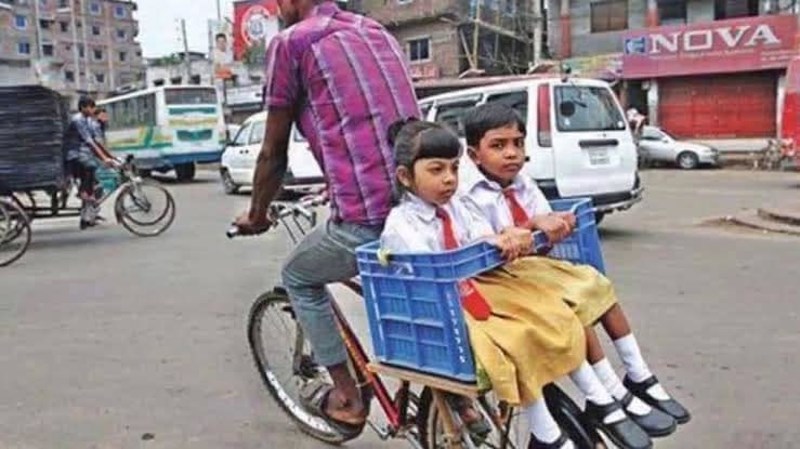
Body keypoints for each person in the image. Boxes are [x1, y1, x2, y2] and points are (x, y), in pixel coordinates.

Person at [380, 119, 652, 449]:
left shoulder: (457, 206)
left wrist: (503, 236)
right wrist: (485, 245)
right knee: (515, 338)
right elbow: (427, 272)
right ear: (405, 176)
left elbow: (482, 235)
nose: (449, 178)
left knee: (552, 314)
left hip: (477, 291)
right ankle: (546, 430)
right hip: (441, 308)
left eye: (454, 168)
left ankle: (600, 396)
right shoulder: (401, 224)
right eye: (437, 170)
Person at [231, 0, 420, 437]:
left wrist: (257, 214)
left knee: (298, 276)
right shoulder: (375, 31)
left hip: (368, 217)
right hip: (419, 206)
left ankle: (347, 397)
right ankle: (455, 401)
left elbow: (273, 152)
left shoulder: (293, 43)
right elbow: (367, 126)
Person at [460, 103, 690, 431]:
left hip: (530, 267)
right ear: (474, 155)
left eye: (518, 143)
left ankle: (638, 375)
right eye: (498, 145)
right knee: (567, 304)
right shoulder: (465, 194)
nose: (511, 153)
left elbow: (542, 219)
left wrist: (556, 222)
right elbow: (489, 243)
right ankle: (607, 393)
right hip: (498, 278)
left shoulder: (523, 182)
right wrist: (529, 226)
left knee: (595, 284)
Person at [63, 96, 117, 229]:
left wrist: (111, 157)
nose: (93, 110)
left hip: (84, 155)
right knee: (91, 168)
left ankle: (87, 217)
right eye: (91, 107)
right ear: (83, 107)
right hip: (73, 155)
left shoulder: (88, 121)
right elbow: (89, 142)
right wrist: (105, 158)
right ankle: (83, 194)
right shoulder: (78, 120)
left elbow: (97, 141)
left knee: (94, 186)